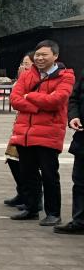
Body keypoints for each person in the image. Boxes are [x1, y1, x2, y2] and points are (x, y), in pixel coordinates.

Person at [9, 39, 76, 226]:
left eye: (44, 55)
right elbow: (15, 99)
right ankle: (31, 208)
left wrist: (29, 96)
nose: (39, 58)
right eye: (37, 55)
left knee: (49, 174)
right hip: (25, 133)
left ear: (55, 56)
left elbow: (57, 101)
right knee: (28, 172)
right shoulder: (27, 75)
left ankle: (53, 213)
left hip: (49, 133)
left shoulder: (66, 76)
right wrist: (39, 104)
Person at [3, 53, 41, 211]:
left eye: (27, 63)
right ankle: (22, 192)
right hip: (20, 126)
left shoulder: (39, 79)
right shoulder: (23, 79)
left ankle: (33, 198)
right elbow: (15, 99)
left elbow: (30, 100)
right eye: (23, 63)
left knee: (28, 164)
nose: (23, 66)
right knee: (12, 159)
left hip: (34, 128)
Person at [54, 73, 84, 234]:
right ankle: (79, 221)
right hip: (82, 139)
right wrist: (74, 116)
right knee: (80, 182)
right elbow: (74, 98)